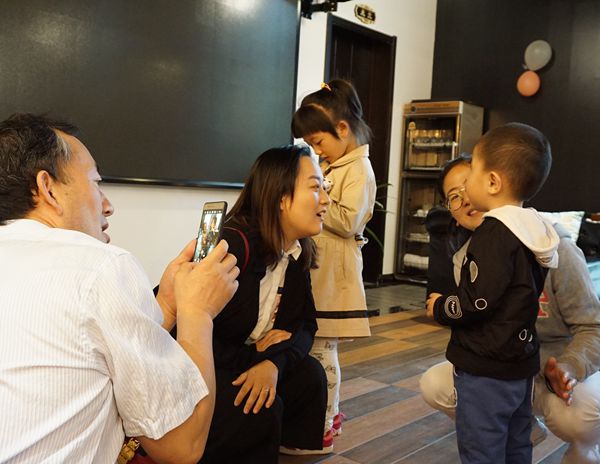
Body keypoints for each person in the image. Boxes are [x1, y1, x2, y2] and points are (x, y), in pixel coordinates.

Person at [0, 113, 239, 464]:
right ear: (48, 188)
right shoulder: (100, 266)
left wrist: (166, 307)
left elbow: (87, 356)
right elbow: (181, 445)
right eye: (96, 183)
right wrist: (198, 313)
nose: (108, 205)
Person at [420, 155, 600, 463]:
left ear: (497, 184)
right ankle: (519, 431)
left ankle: (584, 451)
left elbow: (593, 326)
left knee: (587, 412)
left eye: (469, 184)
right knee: (436, 384)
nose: (465, 198)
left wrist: (569, 366)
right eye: (453, 196)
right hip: (497, 371)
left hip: (550, 373)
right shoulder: (464, 260)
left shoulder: (556, 249)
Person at [425, 123, 560, 463]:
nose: (465, 187)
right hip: (520, 365)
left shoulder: (493, 234)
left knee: (481, 448)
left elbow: (478, 301)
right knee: (517, 445)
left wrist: (441, 307)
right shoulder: (533, 229)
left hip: (486, 370)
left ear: (493, 182)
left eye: (472, 172)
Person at [196, 145, 330, 463]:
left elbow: (305, 325)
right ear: (281, 198)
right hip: (204, 368)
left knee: (310, 375)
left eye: (325, 187)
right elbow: (188, 333)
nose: (325, 199)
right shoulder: (232, 247)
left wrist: (271, 365)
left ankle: (281, 449)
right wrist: (255, 356)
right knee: (260, 406)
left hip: (245, 358)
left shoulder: (296, 251)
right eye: (315, 187)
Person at [291, 79, 376, 445]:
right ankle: (318, 415)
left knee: (323, 350)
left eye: (318, 141)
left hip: (335, 278)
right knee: (312, 347)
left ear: (342, 129)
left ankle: (326, 421)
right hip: (320, 272)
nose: (316, 150)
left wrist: (317, 195)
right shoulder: (334, 165)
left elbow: (349, 221)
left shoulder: (359, 170)